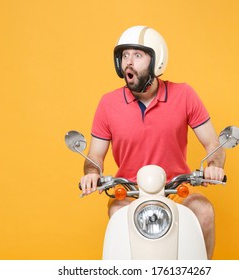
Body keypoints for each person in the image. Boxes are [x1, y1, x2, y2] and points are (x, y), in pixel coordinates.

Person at [79, 26, 225, 259]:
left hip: (176, 189)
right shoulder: (108, 103)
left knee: (204, 210)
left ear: (157, 60)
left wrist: (214, 165)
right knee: (118, 213)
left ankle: (203, 271)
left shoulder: (184, 95)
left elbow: (213, 144)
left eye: (137, 55)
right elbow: (95, 156)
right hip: (130, 191)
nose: (129, 62)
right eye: (125, 55)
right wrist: (91, 173)